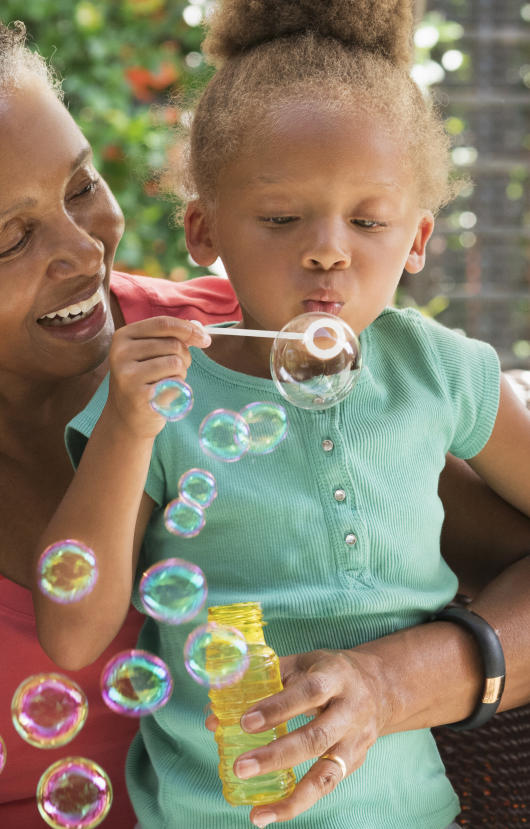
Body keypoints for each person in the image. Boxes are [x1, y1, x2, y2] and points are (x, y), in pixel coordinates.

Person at [0, 6, 530, 828]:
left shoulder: (245, 350)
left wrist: (390, 682)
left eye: (82, 187)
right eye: (13, 237)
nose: (87, 252)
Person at [39, 1, 530, 827]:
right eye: (279, 218)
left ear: (416, 239)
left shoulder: (441, 373)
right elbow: (72, 634)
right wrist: (127, 424)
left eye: (369, 221)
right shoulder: (164, 397)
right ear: (204, 229)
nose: (329, 248)